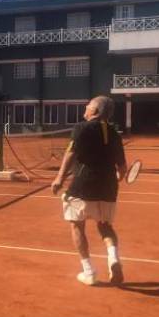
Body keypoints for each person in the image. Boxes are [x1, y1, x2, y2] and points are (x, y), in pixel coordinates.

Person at [51, 96, 127, 286]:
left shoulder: (81, 128)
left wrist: (59, 178)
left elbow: (70, 153)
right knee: (105, 226)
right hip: (109, 187)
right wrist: (118, 177)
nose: (85, 107)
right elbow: (122, 168)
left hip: (84, 185)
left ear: (95, 111)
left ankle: (89, 271)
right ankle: (113, 259)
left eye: (88, 105)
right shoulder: (115, 133)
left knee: (77, 225)